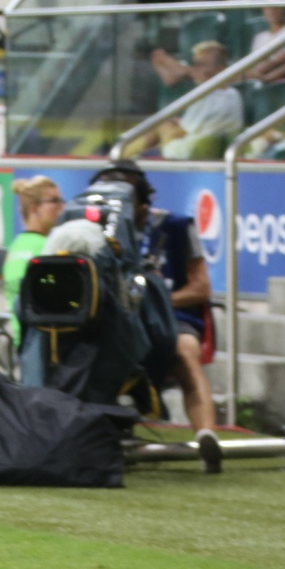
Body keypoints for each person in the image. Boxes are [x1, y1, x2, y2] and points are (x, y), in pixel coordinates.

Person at [91, 161, 223, 472]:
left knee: (184, 352)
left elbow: (201, 288)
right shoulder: (92, 229)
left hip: (170, 316)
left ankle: (207, 437)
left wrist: (157, 301)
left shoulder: (176, 226)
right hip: (115, 318)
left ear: (143, 204)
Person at [140, 41, 244, 159]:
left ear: (220, 69)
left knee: (161, 125)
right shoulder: (234, 94)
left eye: (202, 65)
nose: (195, 69)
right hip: (216, 149)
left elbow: (183, 131)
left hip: (192, 152)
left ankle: (136, 155)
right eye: (195, 64)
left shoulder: (204, 95)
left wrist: (167, 127)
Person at [1, 176, 64, 346]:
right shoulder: (48, 248)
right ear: (35, 207)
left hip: (23, 342)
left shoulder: (15, 247)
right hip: (45, 341)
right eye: (55, 201)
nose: (62, 207)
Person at [247, 0, 285, 84]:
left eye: (277, 6)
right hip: (255, 80)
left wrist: (263, 77)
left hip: (279, 84)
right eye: (268, 5)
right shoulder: (259, 37)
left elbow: (278, 61)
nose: (272, 10)